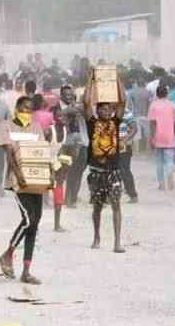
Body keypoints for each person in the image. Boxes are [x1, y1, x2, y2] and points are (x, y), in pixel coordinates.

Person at [0, 96, 46, 285]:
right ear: (17, 108)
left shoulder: (36, 127)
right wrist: (19, 175)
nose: (27, 112)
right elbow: (9, 155)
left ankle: (26, 270)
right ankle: (8, 254)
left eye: (30, 109)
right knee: (28, 220)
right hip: (17, 181)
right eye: (24, 108)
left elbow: (41, 153)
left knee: (35, 223)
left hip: (36, 180)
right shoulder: (6, 126)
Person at [83, 78, 127, 253]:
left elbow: (123, 101)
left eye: (109, 108)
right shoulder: (92, 123)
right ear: (98, 110)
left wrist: (117, 80)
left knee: (117, 204)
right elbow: (86, 102)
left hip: (113, 171)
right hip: (96, 171)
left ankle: (117, 242)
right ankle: (97, 237)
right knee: (97, 207)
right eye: (103, 108)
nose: (107, 111)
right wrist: (91, 81)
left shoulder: (115, 122)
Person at [58, 85, 88, 208]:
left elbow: (86, 112)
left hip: (83, 143)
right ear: (61, 96)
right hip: (66, 145)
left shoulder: (80, 107)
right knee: (66, 172)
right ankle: (66, 199)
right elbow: (62, 115)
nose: (69, 96)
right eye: (66, 94)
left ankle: (72, 197)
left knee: (79, 171)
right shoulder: (60, 108)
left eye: (71, 94)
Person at [148, 86, 175, 191]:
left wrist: (151, 138)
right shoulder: (172, 105)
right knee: (169, 161)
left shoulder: (153, 105)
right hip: (169, 137)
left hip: (157, 137)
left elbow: (152, 123)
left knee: (159, 162)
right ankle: (170, 181)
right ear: (167, 93)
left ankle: (161, 184)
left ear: (157, 94)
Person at [118, 106, 139, 203]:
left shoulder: (125, 112)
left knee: (124, 171)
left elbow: (134, 128)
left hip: (123, 146)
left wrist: (125, 141)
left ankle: (132, 195)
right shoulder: (104, 109)